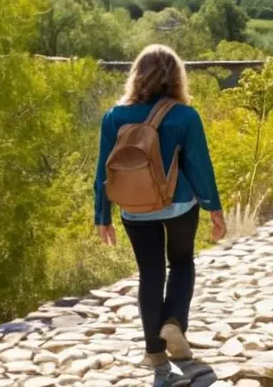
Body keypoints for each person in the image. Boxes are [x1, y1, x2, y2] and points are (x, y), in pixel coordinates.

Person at [93, 44, 226, 387]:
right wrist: (214, 208)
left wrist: (102, 215)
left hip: (134, 211)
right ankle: (174, 323)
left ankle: (155, 353)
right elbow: (199, 166)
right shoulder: (185, 116)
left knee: (149, 273)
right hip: (180, 205)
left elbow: (103, 172)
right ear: (176, 77)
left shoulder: (114, 116)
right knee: (181, 264)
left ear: (137, 75)